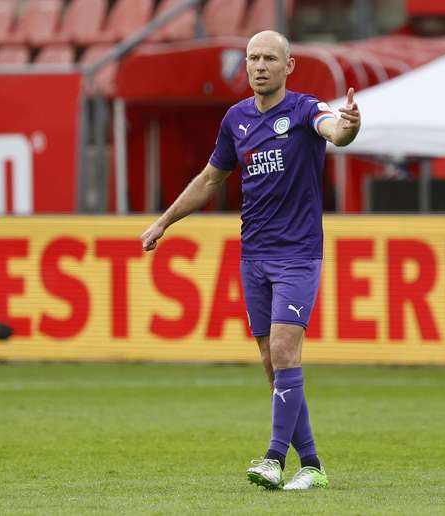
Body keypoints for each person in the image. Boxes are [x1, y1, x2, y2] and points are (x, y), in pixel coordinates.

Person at [140, 30, 361, 491]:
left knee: (283, 351)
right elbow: (209, 179)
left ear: (289, 66)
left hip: (297, 254)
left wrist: (350, 125)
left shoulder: (303, 109)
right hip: (254, 254)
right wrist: (163, 222)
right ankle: (314, 464)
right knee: (270, 359)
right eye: (252, 58)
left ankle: (274, 459)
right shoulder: (236, 119)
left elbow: (334, 131)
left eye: (269, 59)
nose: (259, 66)